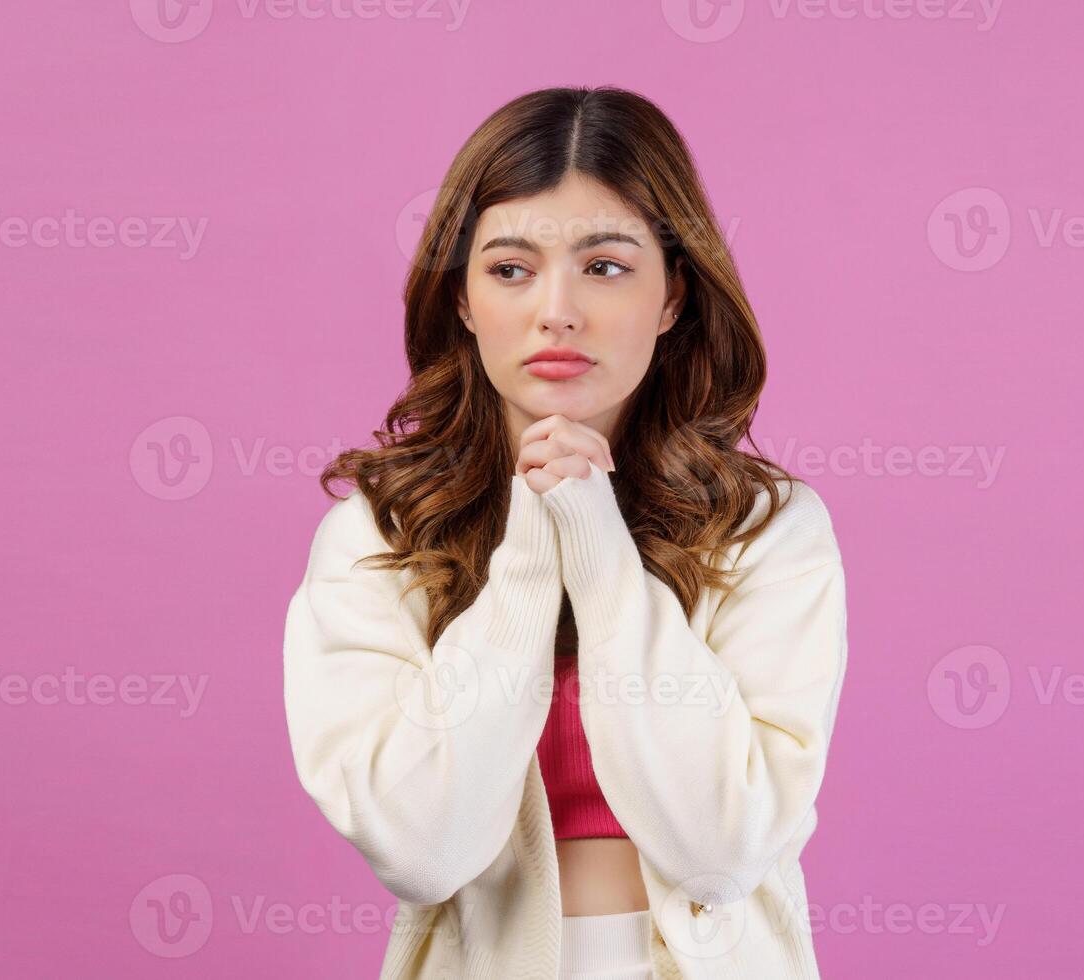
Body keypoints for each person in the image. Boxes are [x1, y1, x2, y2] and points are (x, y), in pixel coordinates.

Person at [284, 85, 848, 979]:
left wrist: (602, 553)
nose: (557, 312)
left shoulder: (766, 533)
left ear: (673, 299)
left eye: (606, 265)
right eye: (510, 268)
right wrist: (530, 554)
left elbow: (722, 851)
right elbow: (421, 847)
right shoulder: (376, 537)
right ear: (463, 302)